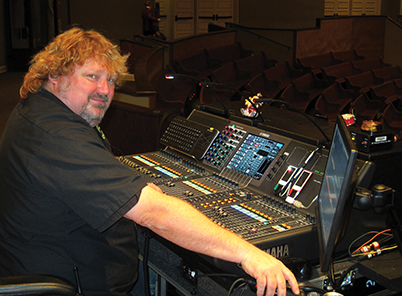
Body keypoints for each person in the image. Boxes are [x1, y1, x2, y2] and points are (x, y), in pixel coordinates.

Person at [0, 27, 300, 296]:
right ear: (55, 75)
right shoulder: (57, 135)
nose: (105, 90)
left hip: (60, 262)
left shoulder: (40, 109)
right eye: (92, 76)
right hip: (74, 282)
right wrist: (248, 253)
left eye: (111, 80)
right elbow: (153, 213)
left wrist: (144, 193)